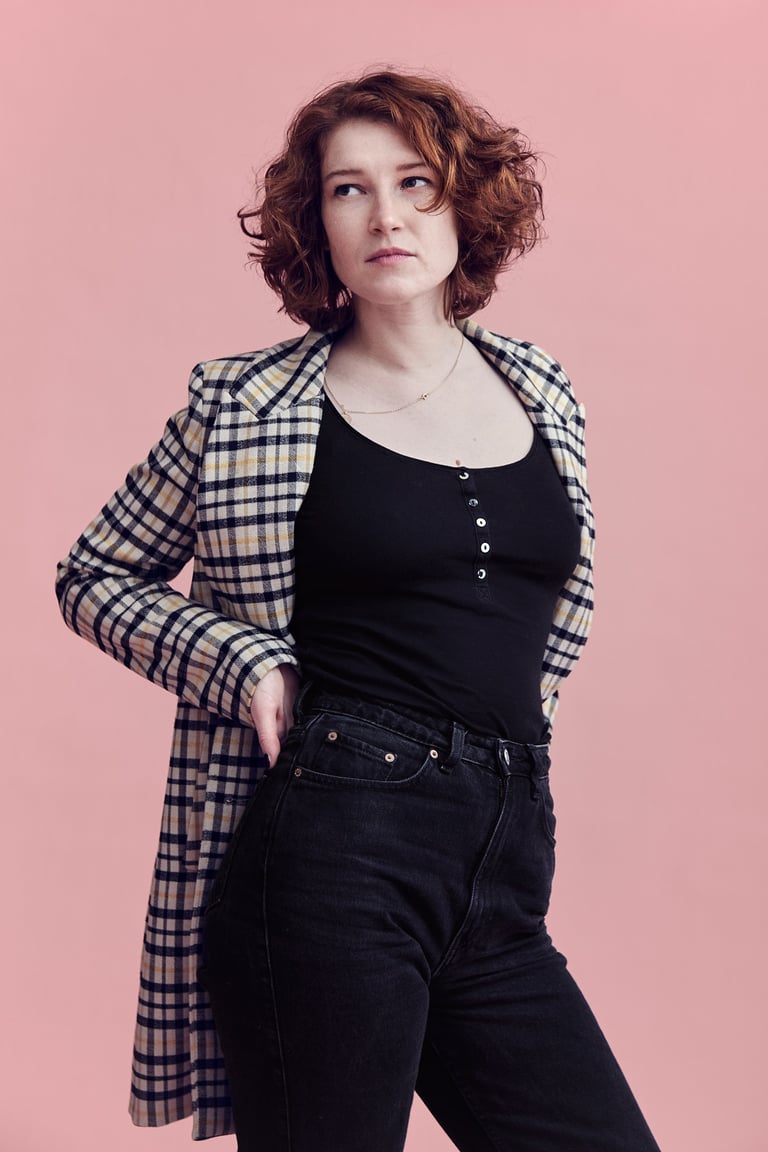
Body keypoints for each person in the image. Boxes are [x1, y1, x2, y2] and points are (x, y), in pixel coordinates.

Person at [56, 69, 661, 1152]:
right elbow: (93, 575)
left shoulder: (542, 388)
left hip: (506, 847)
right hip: (336, 842)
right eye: (349, 189)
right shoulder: (245, 404)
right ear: (315, 224)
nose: (385, 215)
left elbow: (550, 626)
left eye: (416, 182)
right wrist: (241, 660)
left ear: (464, 202)